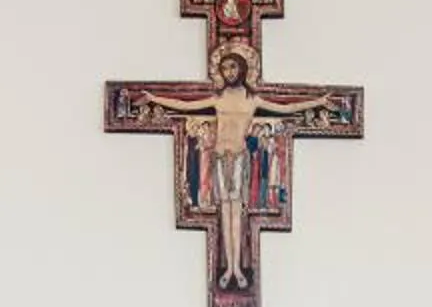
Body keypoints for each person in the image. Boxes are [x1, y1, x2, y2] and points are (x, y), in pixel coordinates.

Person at [129, 44, 350, 292]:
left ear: (243, 68)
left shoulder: (252, 100)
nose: (228, 72)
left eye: (233, 66)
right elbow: (183, 104)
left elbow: (286, 107)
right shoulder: (218, 98)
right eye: (224, 68)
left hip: (240, 159)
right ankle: (229, 268)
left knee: (237, 216)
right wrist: (154, 98)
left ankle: (236, 266)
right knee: (225, 215)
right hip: (220, 158)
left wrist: (319, 100)